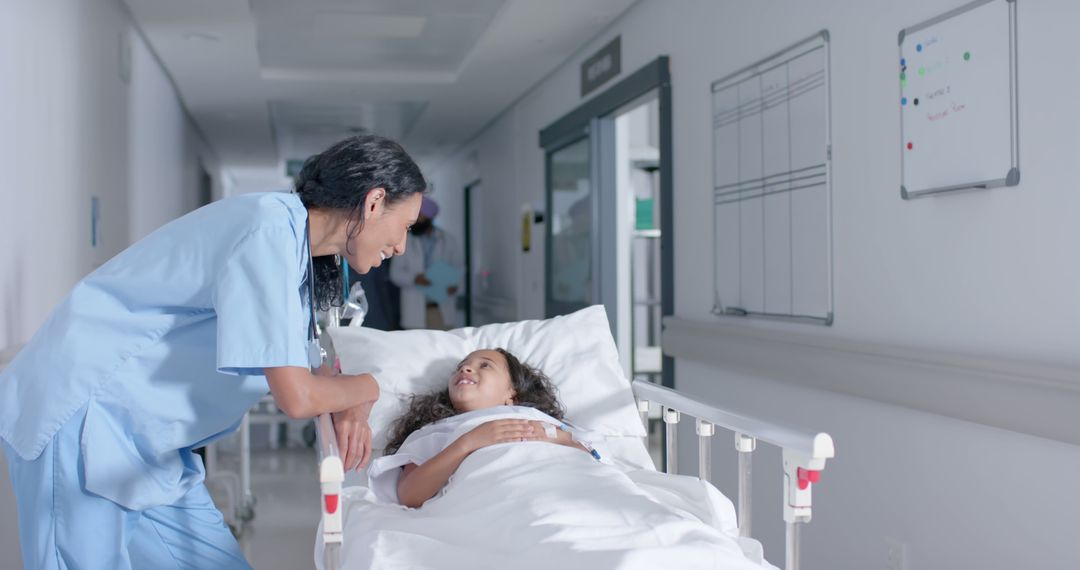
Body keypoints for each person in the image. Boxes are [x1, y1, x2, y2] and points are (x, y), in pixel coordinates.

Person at [0, 134, 426, 569]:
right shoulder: (268, 232)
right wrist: (373, 386)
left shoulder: (296, 253)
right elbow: (298, 396)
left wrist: (353, 401)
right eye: (405, 226)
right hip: (85, 415)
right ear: (374, 202)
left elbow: (315, 369)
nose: (401, 247)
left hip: (148, 443)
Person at [373, 348, 596, 508]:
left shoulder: (540, 421)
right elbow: (409, 495)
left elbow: (593, 462)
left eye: (485, 364)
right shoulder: (436, 431)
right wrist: (468, 443)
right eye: (461, 367)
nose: (466, 368)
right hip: (499, 501)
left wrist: (557, 438)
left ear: (512, 391)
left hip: (566, 492)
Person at [389, 196, 463, 329]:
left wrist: (455, 286)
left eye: (420, 216)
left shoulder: (447, 240)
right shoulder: (406, 241)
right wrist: (414, 279)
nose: (415, 220)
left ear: (429, 218)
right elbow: (395, 273)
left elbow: (459, 268)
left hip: (440, 310)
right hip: (415, 311)